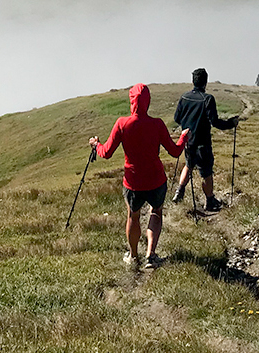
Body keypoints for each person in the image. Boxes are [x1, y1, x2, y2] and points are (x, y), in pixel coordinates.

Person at [90, 83, 187, 269]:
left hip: (133, 182)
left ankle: (133, 256)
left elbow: (107, 152)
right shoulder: (157, 124)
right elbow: (175, 152)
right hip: (156, 180)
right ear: (147, 102)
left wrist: (96, 145)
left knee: (133, 216)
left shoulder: (122, 124)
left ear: (131, 101)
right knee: (156, 212)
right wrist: (183, 138)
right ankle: (151, 255)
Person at [172, 68, 239, 211]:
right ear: (205, 82)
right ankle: (209, 201)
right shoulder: (208, 99)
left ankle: (179, 192)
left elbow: (177, 118)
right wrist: (231, 124)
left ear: (193, 81)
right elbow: (215, 122)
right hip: (203, 143)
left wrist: (187, 125)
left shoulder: (184, 97)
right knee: (206, 173)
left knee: (188, 165)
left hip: (188, 141)